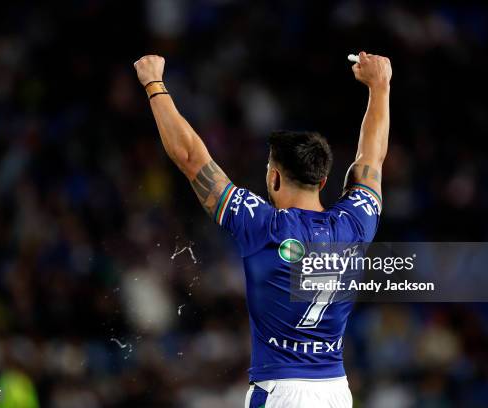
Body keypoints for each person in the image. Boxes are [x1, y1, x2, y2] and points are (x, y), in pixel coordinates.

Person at [133, 51, 391, 408]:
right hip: (335, 391)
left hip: (281, 391)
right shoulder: (355, 223)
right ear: (324, 180)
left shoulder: (263, 225)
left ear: (273, 176)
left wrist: (153, 84)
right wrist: (380, 86)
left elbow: (192, 159)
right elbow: (371, 159)